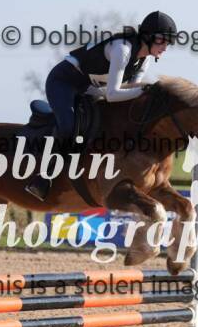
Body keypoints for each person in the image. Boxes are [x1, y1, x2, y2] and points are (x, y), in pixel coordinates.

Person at [25, 11, 178, 201]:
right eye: (162, 40)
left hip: (90, 88)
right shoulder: (123, 49)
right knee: (69, 126)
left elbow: (129, 92)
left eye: (168, 42)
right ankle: (42, 177)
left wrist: (147, 94)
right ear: (148, 36)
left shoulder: (143, 60)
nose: (165, 47)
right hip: (64, 82)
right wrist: (144, 90)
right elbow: (113, 94)